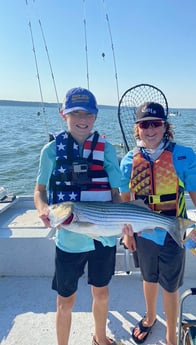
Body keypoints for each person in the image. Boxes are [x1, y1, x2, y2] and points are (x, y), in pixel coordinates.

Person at [119, 101, 196, 345]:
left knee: (170, 285)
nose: (150, 130)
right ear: (137, 129)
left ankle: (171, 333)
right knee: (148, 278)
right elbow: (125, 200)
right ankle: (150, 317)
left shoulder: (184, 155)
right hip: (144, 233)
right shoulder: (129, 160)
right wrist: (127, 233)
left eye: (156, 124)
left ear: (165, 126)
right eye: (144, 125)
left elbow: (195, 191)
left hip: (174, 230)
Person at [34, 87, 123, 345]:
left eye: (88, 113)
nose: (82, 118)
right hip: (69, 239)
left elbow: (116, 194)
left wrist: (125, 222)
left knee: (102, 293)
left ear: (95, 117)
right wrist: (42, 209)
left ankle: (100, 337)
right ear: (64, 115)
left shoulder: (106, 150)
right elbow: (39, 191)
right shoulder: (50, 151)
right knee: (65, 300)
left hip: (103, 236)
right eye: (75, 113)